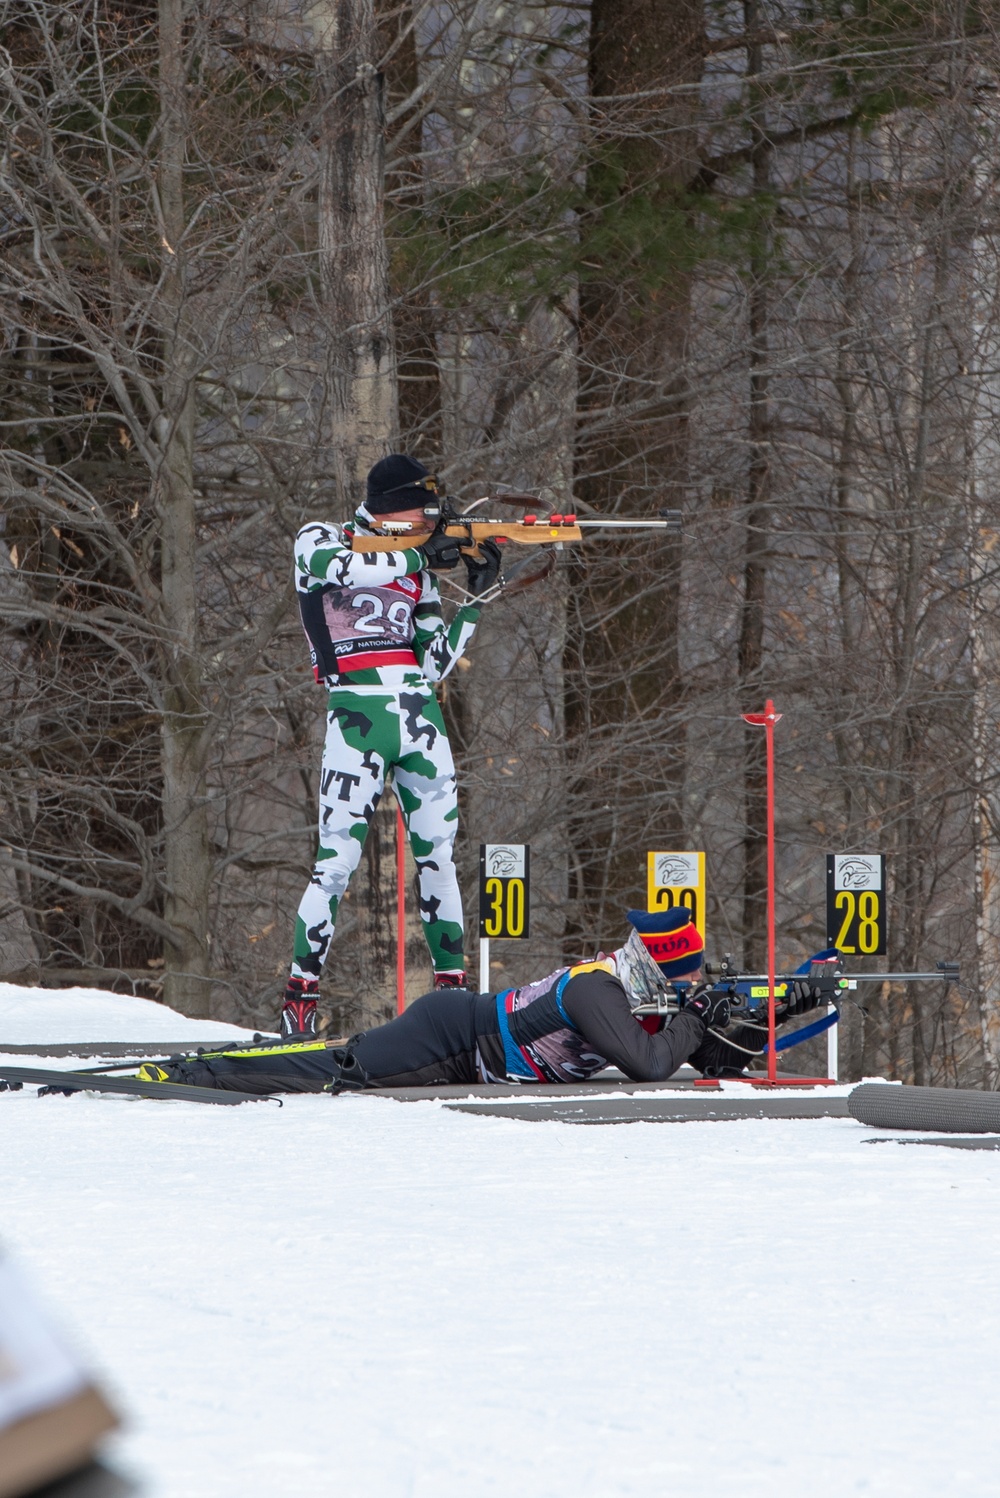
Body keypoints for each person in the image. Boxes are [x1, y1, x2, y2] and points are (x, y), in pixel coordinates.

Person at [280, 454, 503, 1038]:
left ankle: (452, 1001)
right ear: (388, 508)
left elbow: (432, 664)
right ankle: (299, 1002)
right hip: (356, 710)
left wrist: (475, 601)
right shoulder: (321, 538)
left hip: (418, 716)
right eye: (420, 513)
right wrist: (414, 554)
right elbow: (334, 569)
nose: (429, 524)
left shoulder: (416, 568)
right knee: (336, 863)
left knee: (440, 859)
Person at [143, 908, 824, 1094]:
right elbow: (650, 1064)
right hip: (452, 1038)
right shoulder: (598, 990)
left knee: (337, 1060)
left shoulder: (640, 1000)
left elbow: (714, 1061)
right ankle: (195, 1072)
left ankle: (209, 1066)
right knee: (337, 1071)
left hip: (468, 1052)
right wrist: (689, 1019)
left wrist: (787, 1001)